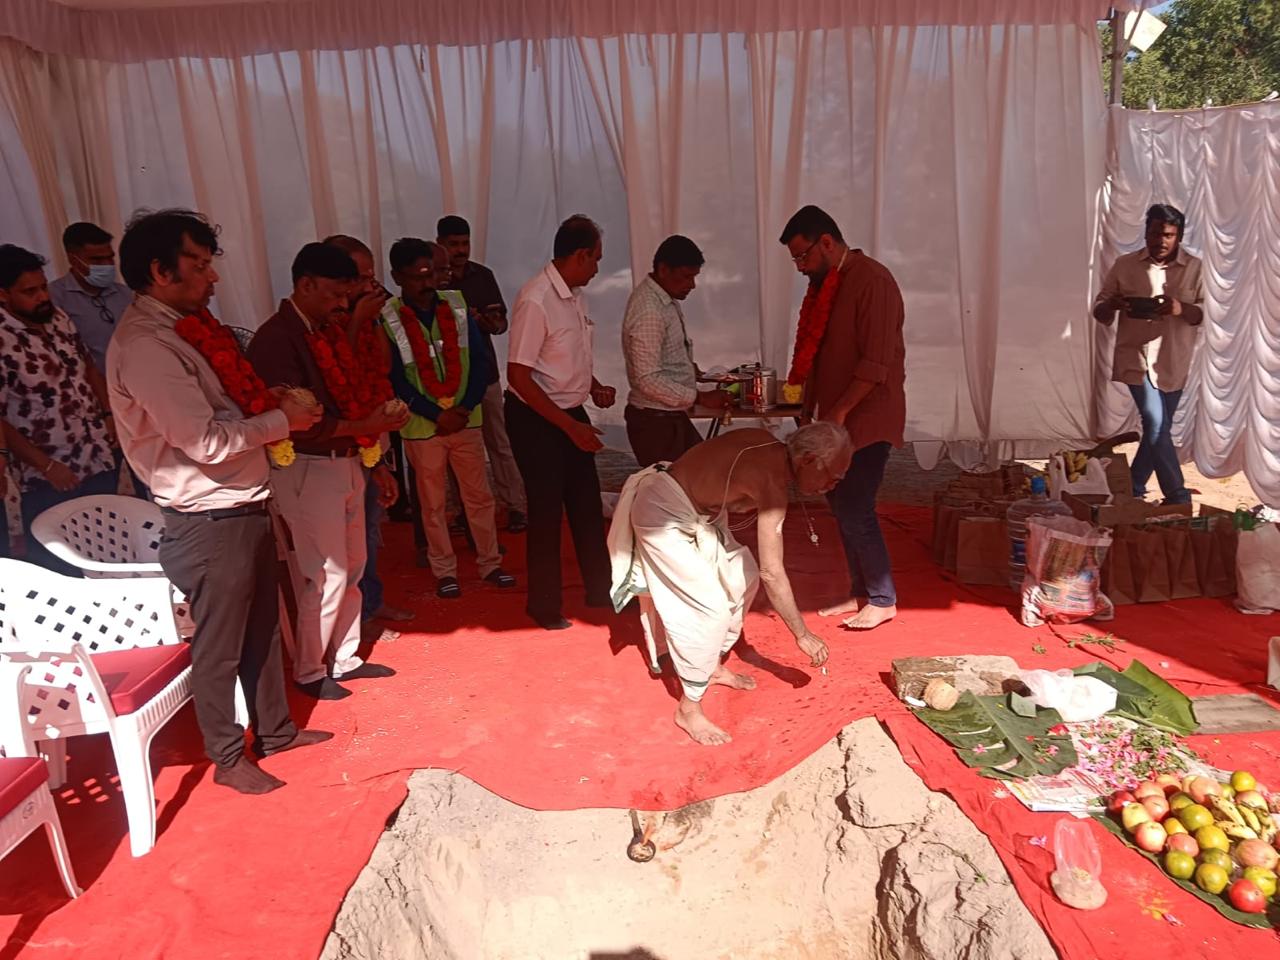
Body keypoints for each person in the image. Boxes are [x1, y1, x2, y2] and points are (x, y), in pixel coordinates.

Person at [108, 208, 331, 795]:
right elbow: (203, 440)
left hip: (241, 503)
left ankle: (275, 731)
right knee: (221, 645)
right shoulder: (147, 345)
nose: (213, 278)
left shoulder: (183, 328)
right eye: (200, 265)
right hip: (209, 516)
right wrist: (281, 421)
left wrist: (267, 403)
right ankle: (228, 758)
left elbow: (221, 410)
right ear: (160, 271)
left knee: (262, 630)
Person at [608, 422, 846, 745]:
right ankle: (689, 708)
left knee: (742, 576)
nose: (831, 486)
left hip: (697, 512)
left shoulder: (766, 442)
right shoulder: (771, 482)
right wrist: (802, 634)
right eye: (832, 476)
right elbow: (773, 572)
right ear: (807, 459)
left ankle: (712, 665)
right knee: (710, 610)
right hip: (662, 511)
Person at [248, 243, 408, 701]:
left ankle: (344, 656)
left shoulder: (326, 330)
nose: (343, 304)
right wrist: (367, 427)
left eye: (346, 295)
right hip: (307, 466)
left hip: (348, 460)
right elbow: (298, 421)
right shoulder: (277, 338)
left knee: (352, 565)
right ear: (305, 284)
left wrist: (372, 452)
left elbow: (354, 392)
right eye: (336, 294)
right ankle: (310, 668)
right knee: (325, 573)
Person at [778, 205, 906, 631]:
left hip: (866, 419)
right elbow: (816, 355)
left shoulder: (873, 281)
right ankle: (860, 591)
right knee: (839, 503)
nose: (800, 267)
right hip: (835, 421)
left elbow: (876, 364)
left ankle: (883, 598)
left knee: (855, 506)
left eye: (803, 256)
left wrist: (838, 413)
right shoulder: (827, 284)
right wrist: (808, 410)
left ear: (827, 243)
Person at [382, 238, 515, 599]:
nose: (428, 283)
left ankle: (491, 563)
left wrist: (464, 408)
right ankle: (444, 570)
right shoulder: (388, 317)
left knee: (479, 497)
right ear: (397, 277)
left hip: (465, 420)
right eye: (417, 277)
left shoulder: (456, 304)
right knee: (433, 504)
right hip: (422, 427)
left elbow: (481, 362)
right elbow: (395, 377)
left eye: (432, 275)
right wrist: (436, 414)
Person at [506, 215, 616, 630]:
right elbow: (519, 376)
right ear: (580, 255)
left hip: (569, 410)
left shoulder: (574, 295)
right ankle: (544, 605)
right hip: (535, 417)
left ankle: (601, 591)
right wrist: (569, 427)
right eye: (597, 259)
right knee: (547, 510)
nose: (598, 268)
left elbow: (563, 358)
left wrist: (594, 386)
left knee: (586, 504)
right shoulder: (536, 299)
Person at [0, 244, 118, 574]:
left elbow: (88, 367)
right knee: (60, 562)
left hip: (96, 455)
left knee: (107, 545)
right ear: (3, 295)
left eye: (42, 287)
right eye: (29, 292)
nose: (42, 297)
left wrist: (108, 415)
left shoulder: (58, 318)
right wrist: (47, 465)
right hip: (48, 474)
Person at [322, 233, 414, 627]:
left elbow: (384, 365)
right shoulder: (324, 319)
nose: (368, 285)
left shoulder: (370, 316)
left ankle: (370, 603)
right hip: (338, 444)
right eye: (360, 277)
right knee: (346, 537)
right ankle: (350, 619)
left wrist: (372, 319)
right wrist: (358, 318)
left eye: (371, 276)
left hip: (373, 435)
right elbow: (336, 374)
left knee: (371, 524)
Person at [1093, 203, 1204, 505]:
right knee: (1155, 423)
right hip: (1135, 358)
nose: (1161, 241)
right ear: (1145, 233)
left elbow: (1205, 314)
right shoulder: (1125, 265)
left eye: (1168, 235)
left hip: (1173, 362)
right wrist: (1112, 305)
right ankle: (1177, 495)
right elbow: (1100, 311)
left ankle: (1133, 486)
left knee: (1159, 429)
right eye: (1155, 233)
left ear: (1179, 237)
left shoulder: (1195, 268)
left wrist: (1180, 308)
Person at [437, 215, 527, 533]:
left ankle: (515, 506)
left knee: (499, 443)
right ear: (440, 244)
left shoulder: (483, 276)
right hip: (447, 381)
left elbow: (500, 325)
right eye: (453, 244)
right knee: (456, 449)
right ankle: (463, 510)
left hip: (484, 374)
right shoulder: (432, 280)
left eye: (465, 243)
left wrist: (482, 322)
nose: (461, 250)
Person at [621, 235, 706, 467]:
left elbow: (660, 356)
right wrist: (700, 397)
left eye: (694, 277)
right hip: (655, 421)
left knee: (700, 471)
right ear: (663, 269)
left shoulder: (664, 298)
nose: (692, 285)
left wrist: (688, 368)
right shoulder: (649, 309)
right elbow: (647, 379)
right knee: (677, 484)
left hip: (667, 415)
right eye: (686, 277)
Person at [48, 222, 134, 374]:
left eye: (110, 258)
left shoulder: (126, 294)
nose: (107, 265)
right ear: (73, 260)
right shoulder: (54, 298)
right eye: (97, 260)